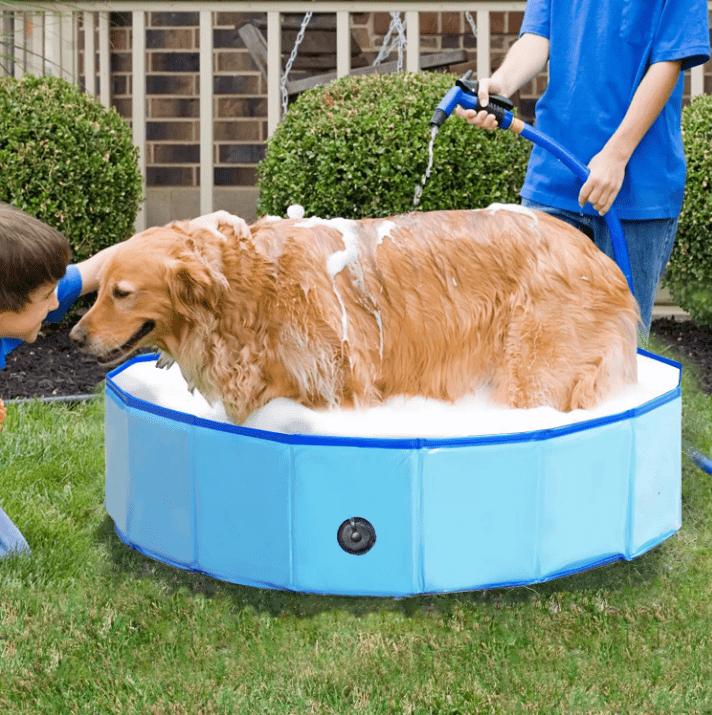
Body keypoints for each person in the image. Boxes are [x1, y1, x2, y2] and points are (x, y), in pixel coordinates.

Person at [456, 0, 711, 336]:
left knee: (617, 351)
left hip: (636, 187)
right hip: (555, 176)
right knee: (535, 339)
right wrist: (501, 84)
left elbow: (668, 62)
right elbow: (538, 37)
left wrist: (617, 155)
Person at [0, 203, 118, 431]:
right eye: (46, 296)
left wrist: (182, 233)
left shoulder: (12, 300)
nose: (54, 302)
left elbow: (95, 269)